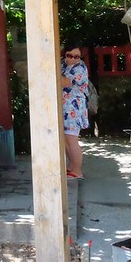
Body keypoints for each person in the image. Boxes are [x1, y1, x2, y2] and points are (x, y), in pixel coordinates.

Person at [61, 40, 90, 179]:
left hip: (74, 107)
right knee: (66, 139)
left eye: (76, 56)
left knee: (72, 139)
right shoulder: (62, 64)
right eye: (69, 55)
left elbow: (64, 82)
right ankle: (71, 167)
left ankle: (78, 171)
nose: (72, 59)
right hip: (64, 108)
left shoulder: (80, 68)